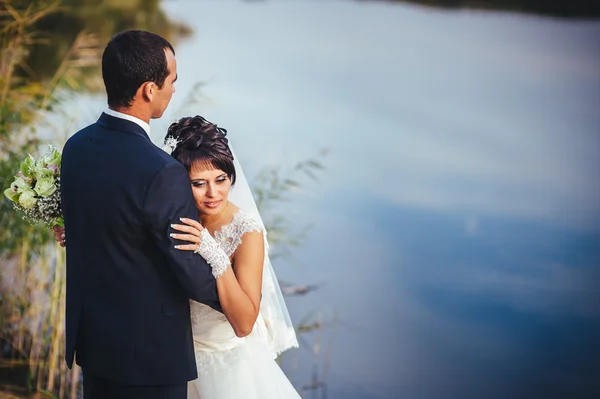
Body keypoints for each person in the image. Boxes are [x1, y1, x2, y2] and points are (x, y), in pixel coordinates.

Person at [59, 30, 221, 399]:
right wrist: (234, 297)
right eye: (172, 81)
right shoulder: (161, 170)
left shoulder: (76, 147)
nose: (174, 90)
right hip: (150, 355)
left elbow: (97, 226)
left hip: (95, 343)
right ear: (149, 89)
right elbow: (185, 263)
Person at [165, 115, 300, 398]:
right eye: (198, 183)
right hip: (174, 364)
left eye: (221, 180)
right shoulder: (173, 217)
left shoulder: (246, 231)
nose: (213, 193)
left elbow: (244, 323)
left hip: (227, 372)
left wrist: (214, 254)